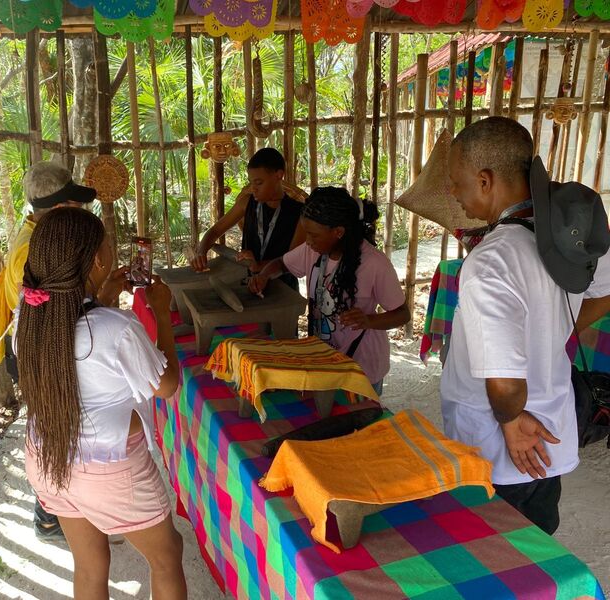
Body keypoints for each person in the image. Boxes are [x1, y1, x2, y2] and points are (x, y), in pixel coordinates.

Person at [440, 117, 610, 535]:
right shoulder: (569, 237)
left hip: (505, 447)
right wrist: (556, 331)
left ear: (484, 181)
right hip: (551, 430)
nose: (453, 194)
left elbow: (505, 383)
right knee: (537, 545)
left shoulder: (492, 261)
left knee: (491, 549)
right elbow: (604, 293)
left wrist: (511, 424)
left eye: (457, 183)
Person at [15, 207, 187, 600]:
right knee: (167, 557)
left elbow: (75, 341)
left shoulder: (28, 315)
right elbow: (167, 386)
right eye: (107, 246)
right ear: (97, 260)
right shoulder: (116, 328)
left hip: (48, 456)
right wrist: (162, 314)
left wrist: (100, 298)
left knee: (90, 563)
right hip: (108, 470)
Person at [0, 161, 127, 541]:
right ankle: (51, 513)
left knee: (57, 425)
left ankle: (55, 510)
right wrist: (104, 297)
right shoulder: (35, 248)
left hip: (39, 343)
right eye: (75, 204)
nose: (80, 210)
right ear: (61, 208)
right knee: (58, 426)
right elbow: (59, 313)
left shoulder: (37, 232)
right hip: (42, 347)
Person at [249, 187, 410, 393]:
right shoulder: (312, 250)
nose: (308, 241)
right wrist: (264, 276)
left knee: (357, 414)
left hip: (361, 368)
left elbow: (402, 314)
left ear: (338, 232)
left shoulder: (375, 263)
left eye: (313, 235)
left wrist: (368, 321)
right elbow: (281, 263)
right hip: (323, 360)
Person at [190, 148, 305, 289]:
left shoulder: (299, 213)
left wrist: (258, 266)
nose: (253, 188)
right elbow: (215, 231)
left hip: (284, 290)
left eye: (259, 183)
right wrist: (201, 253)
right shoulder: (246, 203)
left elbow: (293, 261)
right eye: (251, 182)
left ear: (279, 175)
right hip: (248, 285)